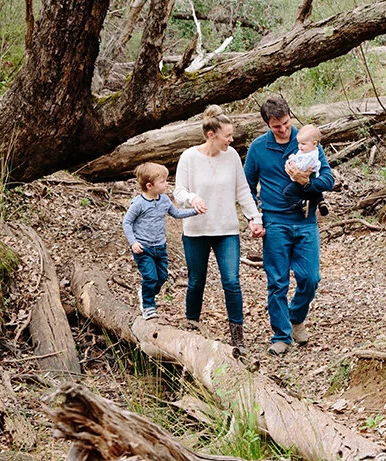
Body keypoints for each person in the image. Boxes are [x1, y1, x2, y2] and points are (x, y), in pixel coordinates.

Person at [243, 97, 334, 356]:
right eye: (276, 127)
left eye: (285, 124)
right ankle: (281, 335)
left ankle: (296, 315)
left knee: (310, 278)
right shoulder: (258, 148)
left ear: (290, 118)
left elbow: (328, 179)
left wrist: (306, 183)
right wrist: (254, 217)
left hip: (305, 220)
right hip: (274, 222)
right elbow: (246, 187)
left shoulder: (307, 141)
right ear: (267, 125)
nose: (283, 130)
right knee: (277, 281)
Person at [174, 105, 264, 348]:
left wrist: (254, 218)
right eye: (227, 136)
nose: (231, 140)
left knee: (232, 282)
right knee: (196, 281)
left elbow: (243, 190)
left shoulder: (232, 156)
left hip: (226, 230)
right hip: (196, 231)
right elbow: (178, 191)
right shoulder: (189, 157)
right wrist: (193, 198)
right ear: (211, 135)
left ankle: (237, 338)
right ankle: (191, 327)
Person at [123, 162, 201, 320]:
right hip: (143, 248)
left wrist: (195, 211)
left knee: (162, 277)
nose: (167, 184)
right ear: (150, 185)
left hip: (160, 246)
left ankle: (146, 292)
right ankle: (148, 306)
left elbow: (177, 214)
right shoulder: (138, 204)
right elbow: (127, 222)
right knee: (150, 277)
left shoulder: (164, 200)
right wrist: (133, 242)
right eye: (163, 181)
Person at [283, 124, 330, 218]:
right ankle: (320, 200)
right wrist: (294, 157)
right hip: (313, 175)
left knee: (288, 192)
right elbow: (299, 157)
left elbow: (302, 167)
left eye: (303, 144)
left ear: (314, 143)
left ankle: (301, 204)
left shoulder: (310, 155)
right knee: (314, 189)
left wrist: (292, 164)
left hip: (307, 175)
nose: (300, 146)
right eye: (299, 143)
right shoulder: (308, 150)